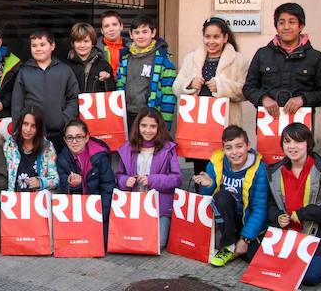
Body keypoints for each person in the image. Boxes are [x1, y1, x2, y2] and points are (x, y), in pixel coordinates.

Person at [266, 123, 321, 286]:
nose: (292, 147)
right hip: (286, 234)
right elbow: (269, 204)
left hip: (317, 234)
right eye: (287, 142)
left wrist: (304, 214)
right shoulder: (274, 172)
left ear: (308, 144)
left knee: (311, 277)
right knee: (265, 267)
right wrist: (276, 216)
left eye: (298, 142)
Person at [173, 17, 248, 175]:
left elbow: (245, 91)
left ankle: (223, 199)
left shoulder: (239, 60)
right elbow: (176, 87)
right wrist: (189, 83)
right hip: (198, 124)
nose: (211, 41)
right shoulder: (191, 59)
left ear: (225, 37)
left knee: (225, 167)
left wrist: (222, 86)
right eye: (208, 37)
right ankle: (201, 198)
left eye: (216, 37)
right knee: (200, 170)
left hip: (225, 125)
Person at [192, 125, 268, 267]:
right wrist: (209, 186)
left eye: (239, 146)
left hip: (247, 220)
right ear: (223, 149)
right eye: (229, 148)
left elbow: (260, 208)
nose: (234, 152)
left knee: (252, 258)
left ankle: (240, 240)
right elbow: (207, 201)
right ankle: (228, 245)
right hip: (225, 221)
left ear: (248, 146)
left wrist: (245, 238)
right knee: (221, 196)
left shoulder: (259, 169)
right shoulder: (216, 163)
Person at [243, 3, 321, 119]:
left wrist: (303, 99)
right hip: (268, 123)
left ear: (301, 26)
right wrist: (263, 99)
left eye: (292, 22)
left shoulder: (315, 57)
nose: (286, 27)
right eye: (281, 22)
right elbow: (248, 88)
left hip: (301, 125)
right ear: (276, 26)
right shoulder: (262, 54)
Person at [114, 108, 181, 249]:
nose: (148, 130)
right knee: (130, 240)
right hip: (133, 206)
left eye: (153, 126)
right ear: (138, 127)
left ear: (159, 127)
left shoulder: (168, 149)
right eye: (144, 125)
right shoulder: (127, 148)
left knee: (158, 243)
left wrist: (152, 180)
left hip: (159, 207)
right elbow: (119, 175)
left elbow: (176, 179)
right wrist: (125, 181)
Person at [11, 30, 80, 151]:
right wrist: (20, 129)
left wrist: (64, 119)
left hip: (60, 134)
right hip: (32, 135)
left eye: (42, 45)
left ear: (52, 46)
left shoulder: (65, 70)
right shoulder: (24, 72)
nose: (38, 49)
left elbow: (73, 98)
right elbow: (17, 103)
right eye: (34, 45)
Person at [55, 118, 115, 238]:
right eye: (70, 138)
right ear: (65, 140)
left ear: (86, 138)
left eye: (79, 137)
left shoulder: (100, 157)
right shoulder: (62, 159)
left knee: (103, 241)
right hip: (76, 210)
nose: (74, 141)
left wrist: (100, 216)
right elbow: (64, 191)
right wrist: (75, 186)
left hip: (99, 208)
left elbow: (108, 188)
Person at [115, 15, 177, 130]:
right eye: (137, 32)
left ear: (153, 33)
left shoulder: (163, 61)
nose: (141, 36)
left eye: (145, 32)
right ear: (131, 35)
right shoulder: (125, 59)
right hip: (127, 116)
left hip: (151, 118)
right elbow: (119, 86)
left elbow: (168, 96)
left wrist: (165, 126)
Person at [4, 107, 59, 192]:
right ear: (20, 124)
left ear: (39, 128)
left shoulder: (47, 147)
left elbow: (55, 180)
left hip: (38, 201)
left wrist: (41, 182)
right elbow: (3, 178)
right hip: (13, 201)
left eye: (33, 126)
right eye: (25, 124)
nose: (28, 129)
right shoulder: (9, 145)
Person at [64, 22, 115, 93]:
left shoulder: (103, 65)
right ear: (73, 43)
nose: (82, 45)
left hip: (96, 103)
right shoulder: (65, 66)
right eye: (78, 41)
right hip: (73, 104)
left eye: (86, 41)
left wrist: (107, 79)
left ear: (93, 43)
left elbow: (111, 91)